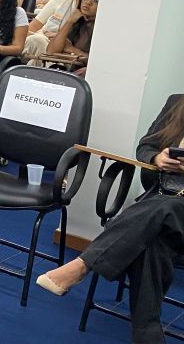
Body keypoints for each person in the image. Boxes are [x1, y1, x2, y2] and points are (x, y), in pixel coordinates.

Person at [37, 95, 184, 344]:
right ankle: (147, 335)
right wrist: (157, 159)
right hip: (161, 214)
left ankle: (84, 264)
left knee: (163, 209)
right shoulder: (177, 103)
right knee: (152, 240)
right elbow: (145, 148)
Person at [23, 0, 101, 62]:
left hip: (67, 52)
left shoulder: (95, 10)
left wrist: (59, 37)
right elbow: (30, 29)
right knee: (37, 41)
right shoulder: (59, 0)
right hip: (40, 40)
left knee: (39, 52)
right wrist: (42, 35)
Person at [46, 0, 99, 76]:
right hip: (71, 70)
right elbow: (51, 52)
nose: (88, 2)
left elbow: (98, 62)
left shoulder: (103, 29)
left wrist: (72, 50)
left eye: (96, 0)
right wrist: (70, 21)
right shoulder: (78, 20)